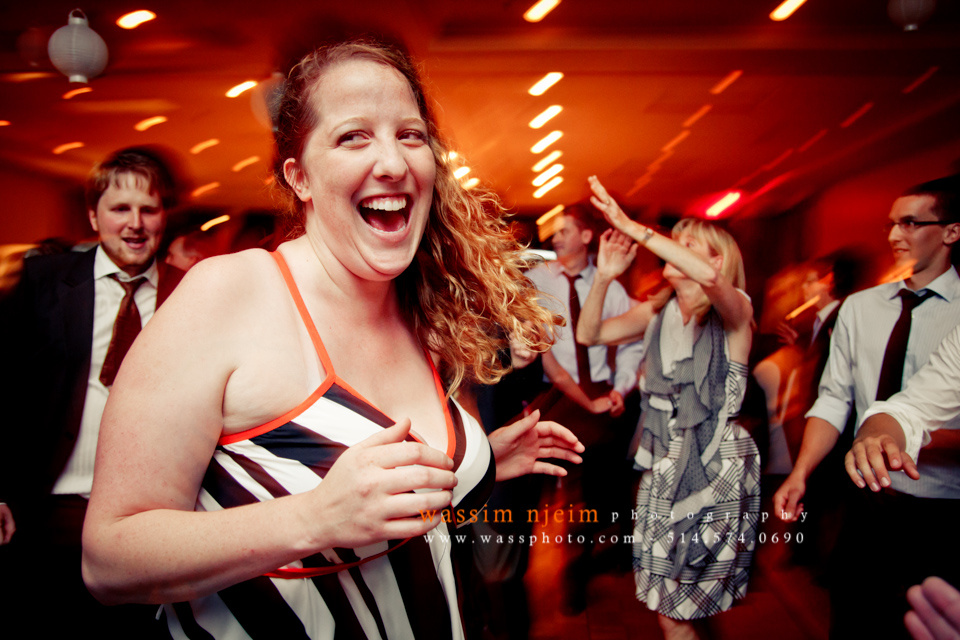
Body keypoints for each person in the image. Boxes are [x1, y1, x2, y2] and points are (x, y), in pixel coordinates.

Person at [80, 38, 583, 639]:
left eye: (411, 135)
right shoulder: (229, 292)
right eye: (353, 137)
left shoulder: (419, 309)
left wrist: (478, 461)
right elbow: (109, 559)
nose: (393, 162)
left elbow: (392, 511)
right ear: (299, 177)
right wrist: (315, 519)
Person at [0, 148, 185, 635]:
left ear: (164, 216)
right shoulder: (45, 282)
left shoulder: (188, 294)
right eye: (120, 208)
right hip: (49, 509)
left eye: (148, 209)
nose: (135, 224)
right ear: (93, 216)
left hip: (146, 517)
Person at [773, 175, 960, 639]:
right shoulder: (859, 308)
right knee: (854, 620)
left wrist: (892, 443)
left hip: (941, 512)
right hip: (864, 503)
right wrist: (800, 473)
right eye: (891, 224)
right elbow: (835, 398)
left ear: (951, 232)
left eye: (910, 223)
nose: (895, 235)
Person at [577, 176, 759, 639]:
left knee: (677, 605)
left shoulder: (735, 311)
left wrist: (631, 226)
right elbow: (588, 335)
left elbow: (712, 283)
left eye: (686, 244)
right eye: (673, 242)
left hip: (711, 466)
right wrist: (603, 276)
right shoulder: (657, 313)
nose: (672, 250)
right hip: (661, 462)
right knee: (675, 599)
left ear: (716, 260)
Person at [525, 204, 643, 613]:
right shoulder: (538, 280)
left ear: (586, 237)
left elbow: (630, 345)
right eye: (554, 232)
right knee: (567, 488)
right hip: (561, 396)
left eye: (563, 231)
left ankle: (594, 553)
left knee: (601, 489)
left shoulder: (612, 288)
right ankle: (572, 571)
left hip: (605, 396)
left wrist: (621, 389)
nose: (554, 238)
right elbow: (538, 352)